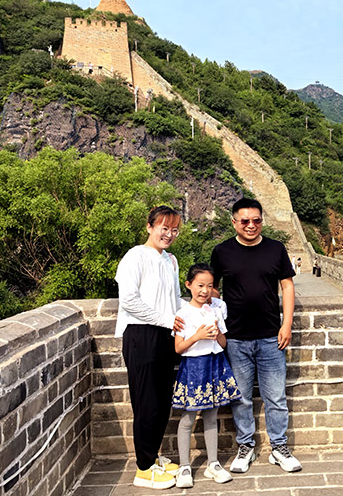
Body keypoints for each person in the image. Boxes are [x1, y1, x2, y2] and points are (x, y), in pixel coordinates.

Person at [210, 198, 302, 474]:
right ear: (234, 222)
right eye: (245, 221)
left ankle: (279, 447)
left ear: (262, 220)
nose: (251, 225)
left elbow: (287, 287)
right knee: (241, 398)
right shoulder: (222, 251)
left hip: (271, 336)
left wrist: (287, 325)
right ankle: (246, 446)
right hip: (235, 337)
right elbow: (212, 289)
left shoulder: (275, 249)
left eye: (256, 220)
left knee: (276, 397)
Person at [115, 206, 185, 490]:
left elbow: (176, 299)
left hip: (166, 336)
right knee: (146, 403)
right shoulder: (135, 256)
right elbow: (129, 300)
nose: (169, 234)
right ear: (149, 227)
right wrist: (165, 320)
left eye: (174, 230)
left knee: (161, 401)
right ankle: (143, 469)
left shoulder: (170, 260)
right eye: (163, 228)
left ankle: (153, 456)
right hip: (141, 335)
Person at [172, 263, 241, 487]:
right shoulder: (183, 313)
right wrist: (197, 336)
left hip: (215, 364)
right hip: (194, 367)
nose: (205, 291)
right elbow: (178, 348)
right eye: (200, 285)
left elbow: (223, 343)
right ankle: (184, 466)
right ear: (189, 285)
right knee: (188, 417)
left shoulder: (215, 310)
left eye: (210, 286)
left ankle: (213, 463)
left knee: (212, 416)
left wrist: (217, 332)